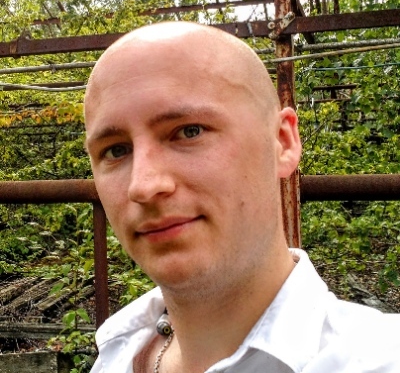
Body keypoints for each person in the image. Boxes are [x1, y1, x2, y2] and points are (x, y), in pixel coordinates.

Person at [84, 21, 400, 373]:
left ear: (282, 142)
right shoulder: (115, 355)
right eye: (115, 151)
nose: (143, 186)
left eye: (189, 132)